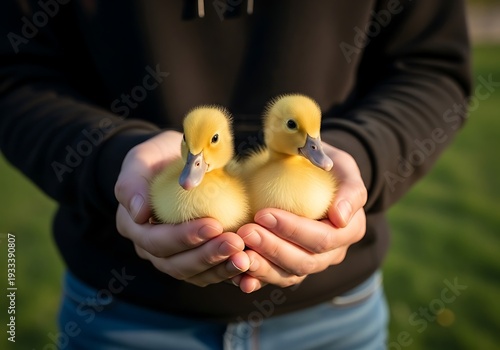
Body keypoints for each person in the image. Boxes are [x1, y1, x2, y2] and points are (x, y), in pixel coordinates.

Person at [0, 0, 471, 349]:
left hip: (334, 318)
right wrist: (111, 157)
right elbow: (15, 76)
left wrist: (362, 156)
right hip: (121, 315)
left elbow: (430, 65)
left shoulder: (285, 160)